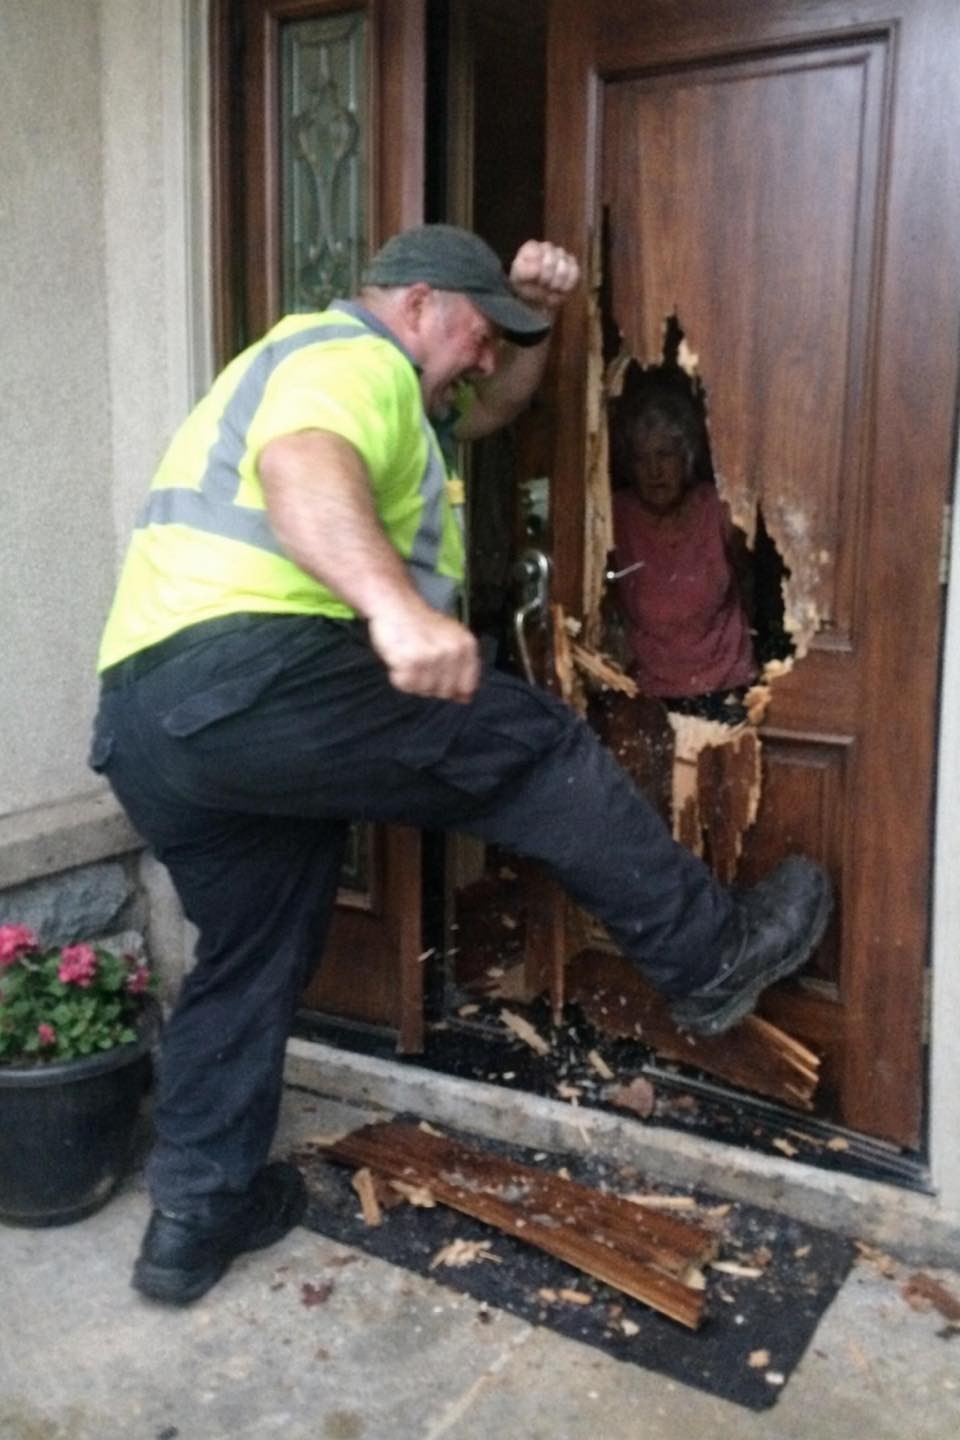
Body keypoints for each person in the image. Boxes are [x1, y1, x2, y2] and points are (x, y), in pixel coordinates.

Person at [90, 224, 831, 1306]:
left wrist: (535, 317)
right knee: (536, 746)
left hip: (152, 722)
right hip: (258, 674)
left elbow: (493, 407)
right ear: (419, 302)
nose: (487, 359)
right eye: (481, 333)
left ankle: (195, 1219)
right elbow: (304, 469)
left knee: (253, 953)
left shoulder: (374, 383)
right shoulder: (351, 359)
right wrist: (394, 612)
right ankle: (712, 955)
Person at [611, 388, 756, 719]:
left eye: (665, 455)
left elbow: (749, 584)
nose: (654, 471)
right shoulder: (616, 516)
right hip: (650, 694)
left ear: (687, 455)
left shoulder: (719, 510)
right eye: (641, 459)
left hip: (726, 686)